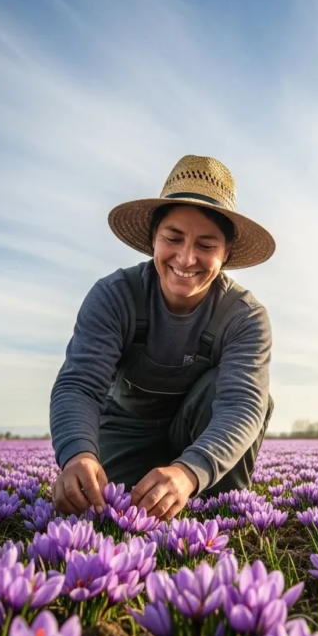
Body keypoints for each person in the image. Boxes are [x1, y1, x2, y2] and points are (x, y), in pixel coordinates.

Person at [50, 154, 275, 520]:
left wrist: (190, 471)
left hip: (198, 431)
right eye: (173, 238)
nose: (186, 259)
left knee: (215, 507)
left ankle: (217, 510)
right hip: (127, 427)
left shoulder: (245, 316)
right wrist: (78, 453)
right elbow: (80, 385)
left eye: (206, 245)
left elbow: (242, 405)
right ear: (153, 238)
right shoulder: (114, 295)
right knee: (102, 504)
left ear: (226, 252)